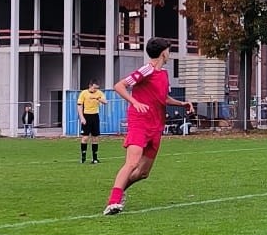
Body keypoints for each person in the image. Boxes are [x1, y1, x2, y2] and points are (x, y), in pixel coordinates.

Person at [102, 37, 195, 215]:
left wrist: (182, 104)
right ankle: (113, 201)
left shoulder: (163, 74)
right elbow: (119, 86)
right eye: (169, 49)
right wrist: (134, 102)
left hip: (156, 125)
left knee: (143, 173)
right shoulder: (147, 70)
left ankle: (118, 192)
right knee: (132, 163)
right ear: (163, 52)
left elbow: (163, 99)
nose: (170, 53)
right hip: (139, 122)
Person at [77, 79, 109, 164]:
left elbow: (105, 102)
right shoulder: (84, 93)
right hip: (86, 115)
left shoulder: (99, 93)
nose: (95, 90)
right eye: (94, 88)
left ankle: (95, 158)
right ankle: (83, 157)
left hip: (95, 116)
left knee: (95, 137)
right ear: (90, 86)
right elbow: (79, 106)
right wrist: (82, 118)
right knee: (85, 137)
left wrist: (98, 98)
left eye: (96, 88)